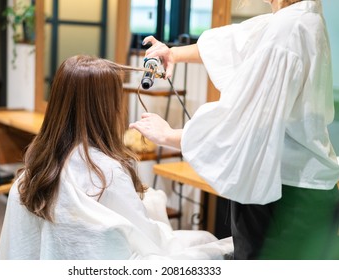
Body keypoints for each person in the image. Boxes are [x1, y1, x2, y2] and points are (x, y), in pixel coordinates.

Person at [130, 0, 339, 259]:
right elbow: (238, 40)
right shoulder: (304, 16)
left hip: (286, 198)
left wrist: (168, 136)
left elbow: (245, 124)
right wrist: (174, 54)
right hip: (311, 191)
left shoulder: (288, 28)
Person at [0, 55, 233, 260]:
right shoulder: (107, 172)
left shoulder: (35, 168)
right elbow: (147, 241)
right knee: (211, 240)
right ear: (106, 107)